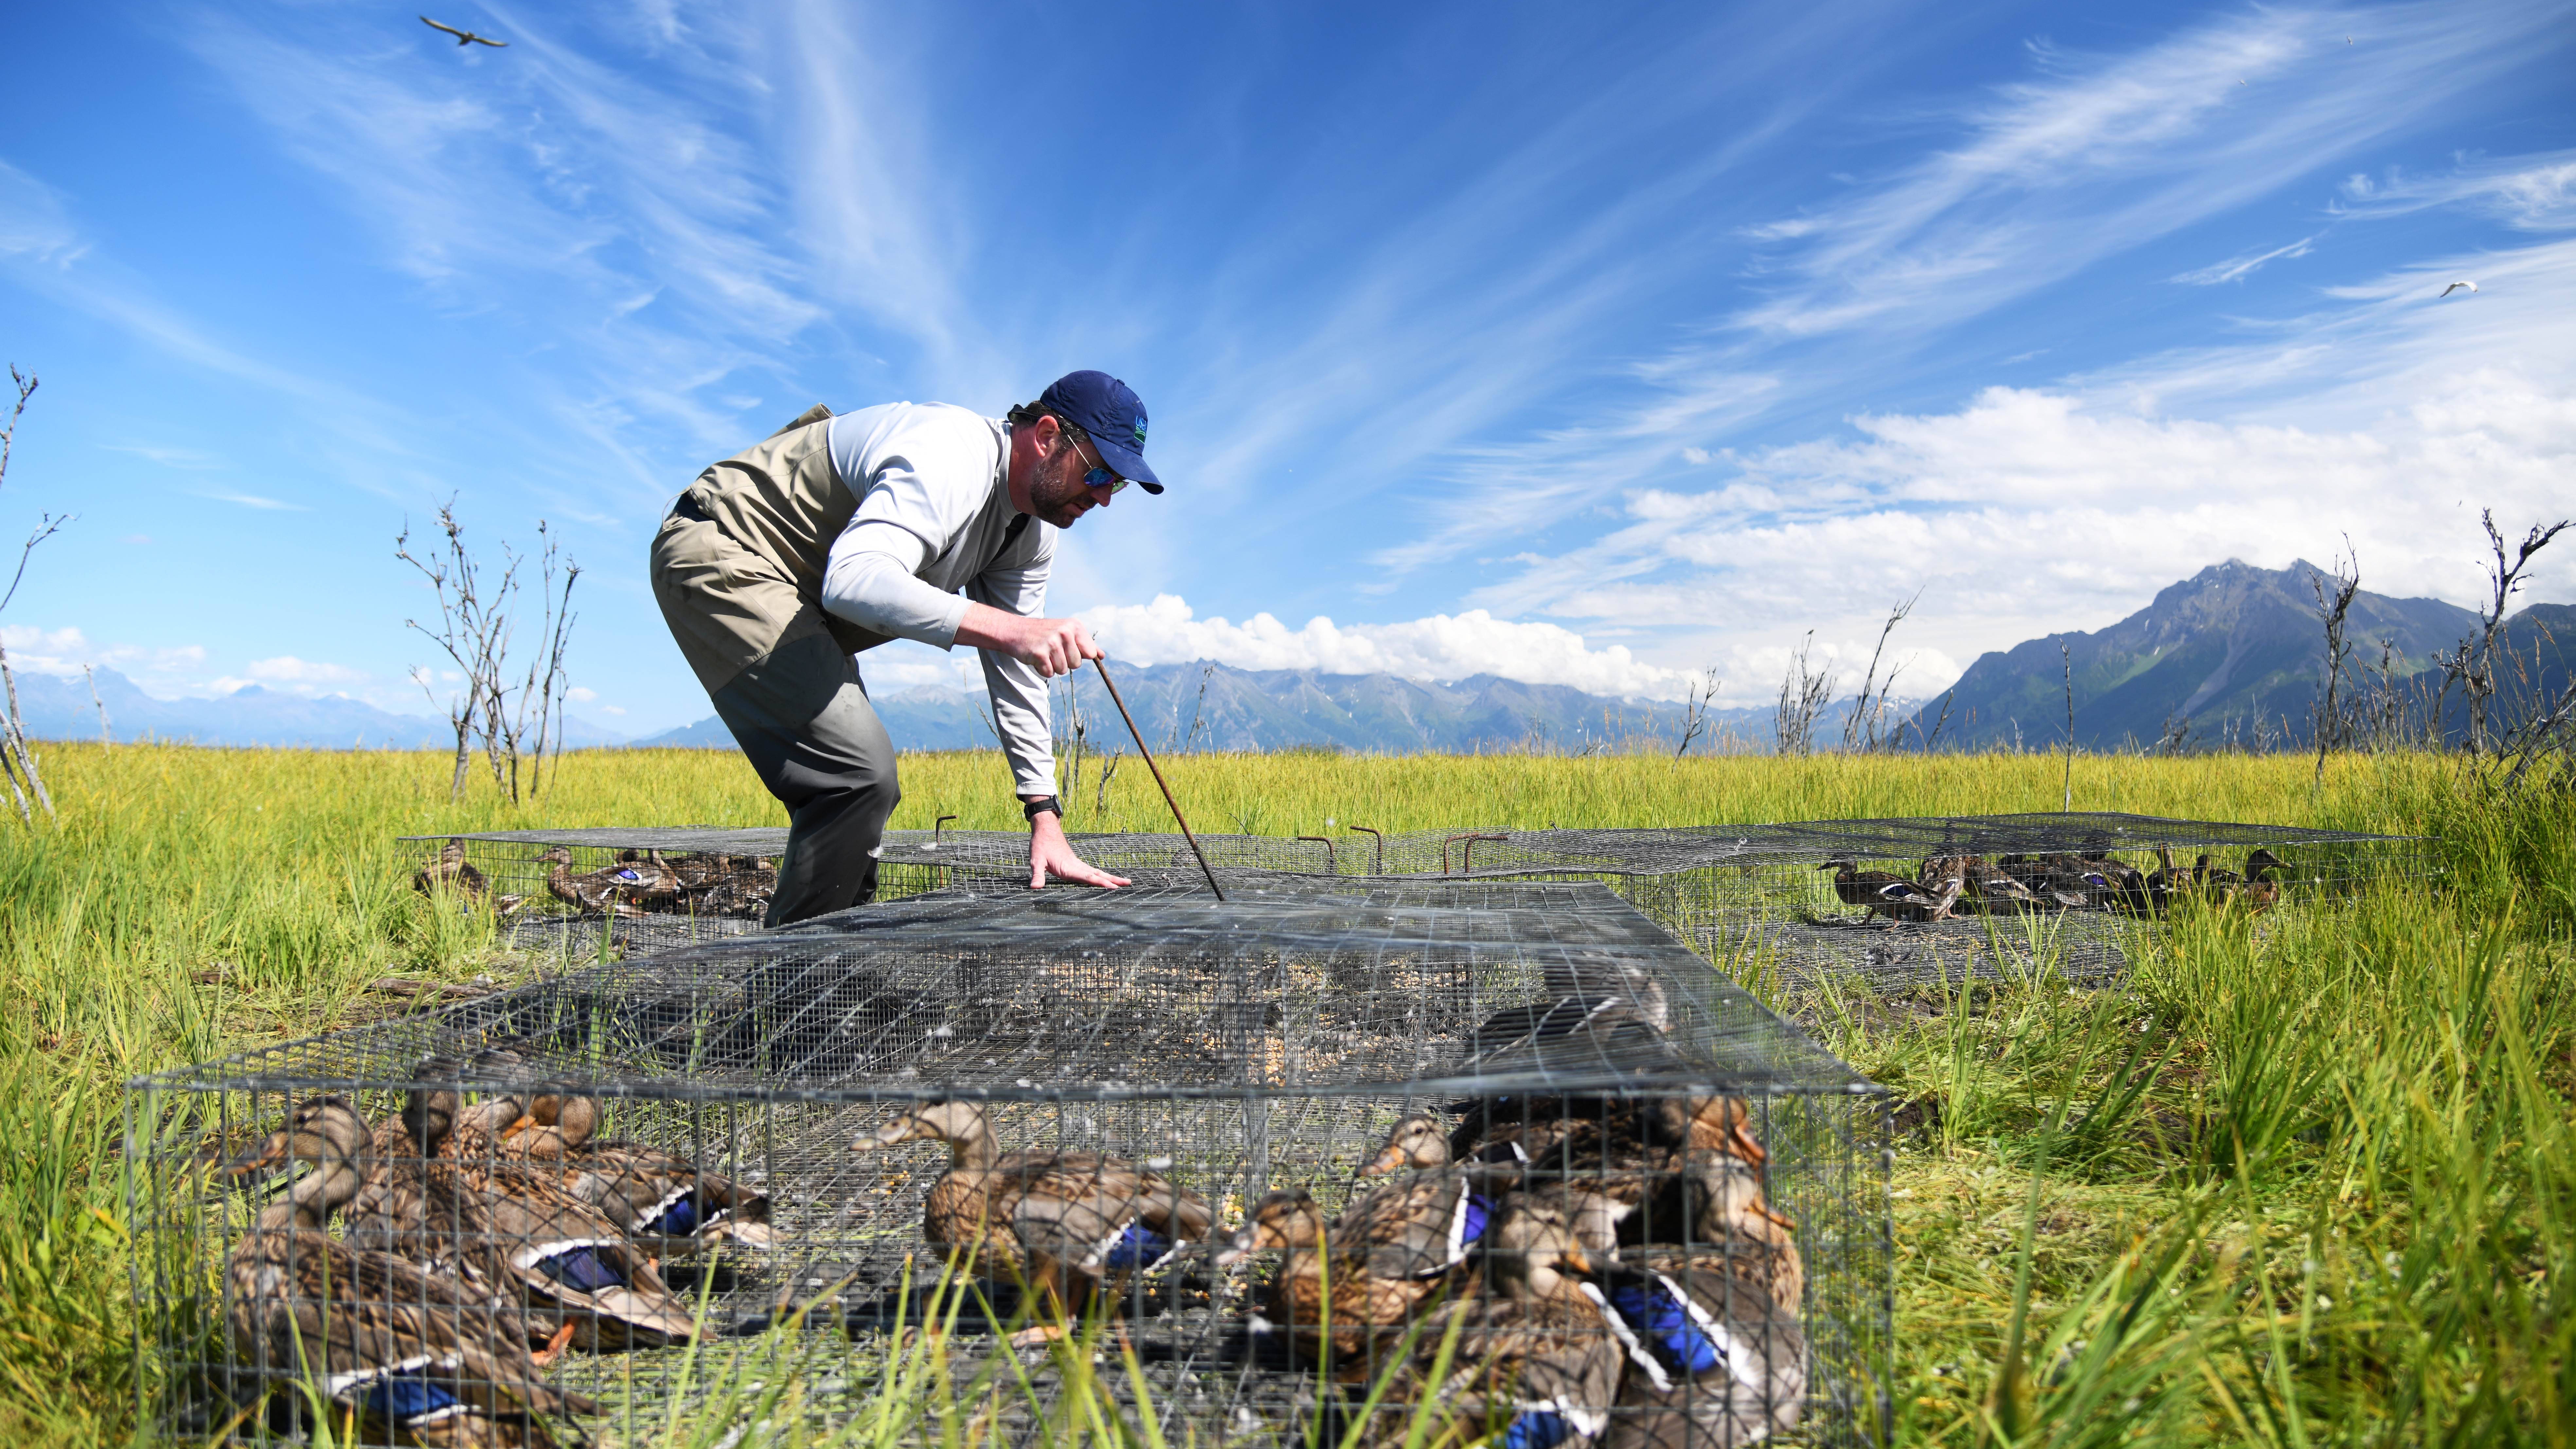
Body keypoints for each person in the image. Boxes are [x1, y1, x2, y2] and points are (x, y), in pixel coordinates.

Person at [650, 371, 1156, 926]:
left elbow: (1018, 665)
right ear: (1046, 435)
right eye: (1100, 471)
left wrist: (1045, 815)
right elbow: (855, 579)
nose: (1105, 497)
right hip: (729, 548)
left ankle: (835, 964)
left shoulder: (1031, 533)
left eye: (1119, 484)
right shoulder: (949, 455)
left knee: (860, 800)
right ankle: (789, 987)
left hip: (805, 599)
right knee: (856, 774)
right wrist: (1014, 631)